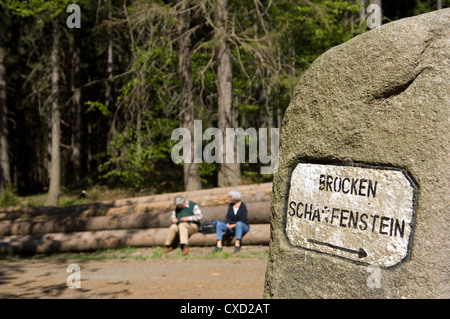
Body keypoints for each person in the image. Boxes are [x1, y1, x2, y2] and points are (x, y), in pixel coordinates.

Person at [213, 189, 250, 253]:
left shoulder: (243, 206)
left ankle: (237, 244)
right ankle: (219, 245)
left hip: (242, 226)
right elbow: (228, 217)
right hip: (231, 227)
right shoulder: (230, 206)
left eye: (230, 197)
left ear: (235, 197)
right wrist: (227, 223)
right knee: (219, 225)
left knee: (239, 223)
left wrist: (232, 225)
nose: (229, 198)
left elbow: (243, 219)